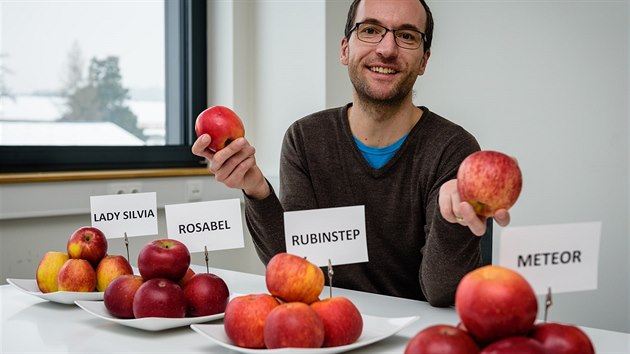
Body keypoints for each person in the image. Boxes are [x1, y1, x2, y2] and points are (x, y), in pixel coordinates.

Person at [192, 0, 510, 307]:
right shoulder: (305, 139)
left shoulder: (453, 149)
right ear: (345, 49)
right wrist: (257, 190)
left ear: (424, 60)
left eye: (407, 35)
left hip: (415, 336)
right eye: (371, 30)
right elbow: (296, 267)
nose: (387, 49)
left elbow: (439, 294)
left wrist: (450, 219)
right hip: (327, 329)